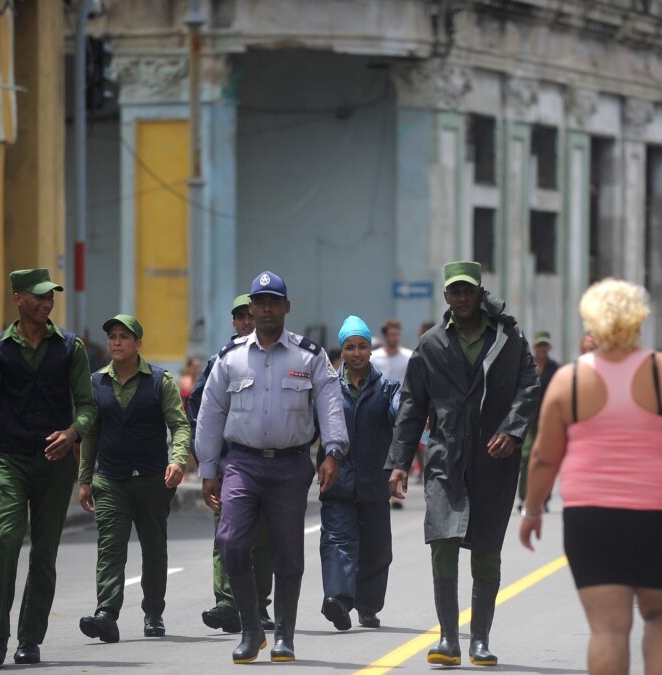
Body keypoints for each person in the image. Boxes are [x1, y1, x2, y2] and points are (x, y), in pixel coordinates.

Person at [518, 278, 662, 675]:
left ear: (590, 322)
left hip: (590, 520)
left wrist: (532, 510)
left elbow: (545, 457)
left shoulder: (569, 380)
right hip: (657, 517)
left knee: (608, 630)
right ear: (640, 320)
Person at [388, 260, 539, 667]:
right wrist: (400, 461)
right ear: (446, 297)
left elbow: (530, 385)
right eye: (454, 292)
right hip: (444, 457)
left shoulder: (507, 338)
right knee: (442, 542)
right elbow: (412, 404)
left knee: (487, 548)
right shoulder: (431, 343)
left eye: (468, 291)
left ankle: (480, 641)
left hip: (494, 457)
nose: (461, 298)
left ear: (479, 292)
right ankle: (449, 639)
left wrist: (513, 429)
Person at [194, 270, 349, 664]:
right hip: (241, 464)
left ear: (286, 307)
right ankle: (251, 629)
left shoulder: (308, 356)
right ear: (251, 308)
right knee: (230, 543)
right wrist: (208, 468)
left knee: (287, 553)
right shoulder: (230, 359)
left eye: (272, 302)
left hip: (290, 465)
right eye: (258, 303)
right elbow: (211, 413)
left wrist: (332, 451)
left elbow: (329, 403)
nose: (265, 309)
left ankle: (284, 635)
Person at [0, 268, 97, 665]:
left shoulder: (70, 347)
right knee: (4, 542)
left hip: (55, 468)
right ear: (18, 298)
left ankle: (30, 639)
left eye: (50, 297)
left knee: (44, 553)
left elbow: (88, 406)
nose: (46, 303)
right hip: (8, 461)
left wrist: (73, 433)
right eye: (38, 297)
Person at [77, 314, 191, 643]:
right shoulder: (96, 382)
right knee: (110, 548)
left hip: (155, 478)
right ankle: (106, 614)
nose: (116, 342)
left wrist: (178, 460)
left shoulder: (160, 381)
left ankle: (153, 612)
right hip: (111, 479)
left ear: (137, 344)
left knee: (154, 548)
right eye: (112, 336)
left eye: (123, 337)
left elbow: (180, 425)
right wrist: (85, 478)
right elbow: (90, 434)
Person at [187, 294, 275, 635]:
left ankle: (259, 604)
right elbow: (199, 411)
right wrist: (209, 459)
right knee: (226, 535)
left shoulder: (275, 358)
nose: (247, 322)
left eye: (251, 315)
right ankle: (226, 603)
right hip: (230, 467)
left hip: (268, 465)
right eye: (240, 317)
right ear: (233, 322)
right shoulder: (218, 362)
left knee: (263, 538)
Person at [319, 315, 401, 631]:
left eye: (362, 347)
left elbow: (399, 412)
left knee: (377, 548)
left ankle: (368, 607)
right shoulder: (327, 389)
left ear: (370, 349)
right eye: (350, 347)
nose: (356, 353)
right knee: (338, 540)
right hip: (338, 482)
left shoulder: (387, 388)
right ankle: (338, 601)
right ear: (342, 351)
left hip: (374, 482)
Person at [517, 331, 560, 512]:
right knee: (526, 457)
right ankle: (524, 497)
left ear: (549, 347)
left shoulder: (555, 369)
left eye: (545, 345)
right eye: (539, 345)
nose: (542, 349)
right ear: (534, 347)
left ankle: (544, 498)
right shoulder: (527, 365)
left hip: (548, 420)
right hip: (528, 418)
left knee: (546, 458)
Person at [370, 318, 413, 383]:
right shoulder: (373, 358)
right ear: (385, 336)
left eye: (398, 334)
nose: (396, 338)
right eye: (393, 335)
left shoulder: (409, 356)